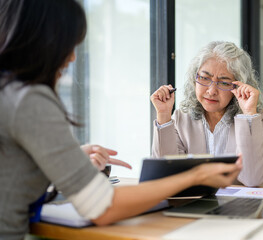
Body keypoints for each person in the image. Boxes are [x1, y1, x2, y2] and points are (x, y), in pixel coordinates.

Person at [0, 1, 242, 239]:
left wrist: (66, 159)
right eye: (67, 44)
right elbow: (103, 208)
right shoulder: (28, 99)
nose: (72, 57)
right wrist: (196, 176)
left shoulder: (10, 93)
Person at [151, 41, 263, 187]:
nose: (211, 91)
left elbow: (253, 179)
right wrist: (164, 115)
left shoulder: (259, 119)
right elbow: (165, 176)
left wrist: (248, 115)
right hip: (195, 205)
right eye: (204, 78)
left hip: (242, 205)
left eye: (224, 83)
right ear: (194, 79)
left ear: (239, 86)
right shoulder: (180, 118)